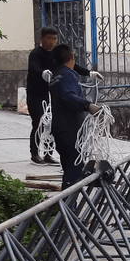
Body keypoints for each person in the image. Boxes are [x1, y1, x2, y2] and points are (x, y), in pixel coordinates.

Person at [26, 26, 102, 165]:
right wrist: (42, 72)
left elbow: (72, 65)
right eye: (49, 39)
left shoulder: (56, 53)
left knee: (51, 123)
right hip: (36, 94)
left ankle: (48, 153)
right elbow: (33, 67)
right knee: (39, 123)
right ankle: (35, 153)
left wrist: (89, 73)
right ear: (42, 38)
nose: (52, 42)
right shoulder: (36, 53)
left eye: (55, 39)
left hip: (52, 92)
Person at [49, 44, 101, 189]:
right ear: (72, 57)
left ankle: (66, 207)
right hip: (70, 129)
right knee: (73, 171)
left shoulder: (55, 75)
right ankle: (69, 208)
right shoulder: (68, 75)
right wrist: (88, 105)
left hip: (59, 129)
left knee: (69, 169)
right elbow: (68, 96)